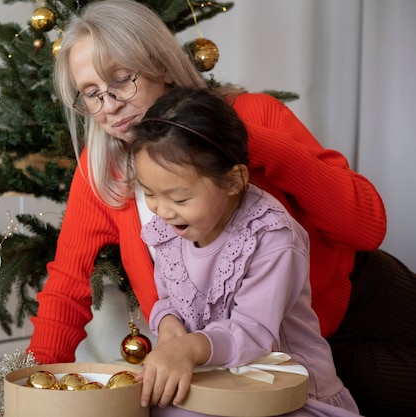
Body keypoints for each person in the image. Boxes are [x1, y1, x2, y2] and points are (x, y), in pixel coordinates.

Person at [27, 1, 416, 415]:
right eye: (91, 94)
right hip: (270, 360)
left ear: (161, 65)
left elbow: (366, 227)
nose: (109, 105)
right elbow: (68, 284)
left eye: (122, 80)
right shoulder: (102, 169)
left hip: (363, 300)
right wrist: (27, 386)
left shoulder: (252, 114)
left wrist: (226, 139)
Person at [128, 85, 360, 416]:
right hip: (211, 381)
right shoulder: (171, 230)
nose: (162, 211)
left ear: (234, 181)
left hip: (282, 388)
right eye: (150, 193)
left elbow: (254, 332)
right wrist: (168, 324)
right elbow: (169, 299)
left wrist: (189, 348)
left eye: (179, 198)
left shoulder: (272, 237)